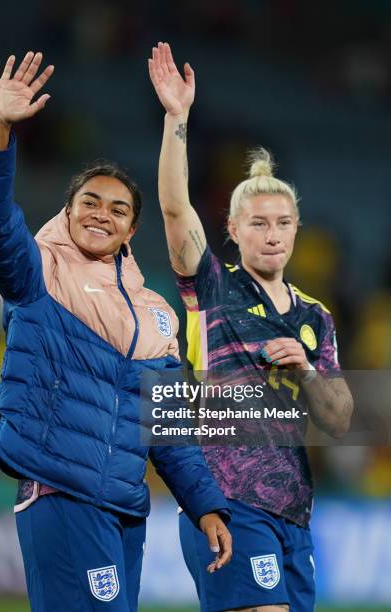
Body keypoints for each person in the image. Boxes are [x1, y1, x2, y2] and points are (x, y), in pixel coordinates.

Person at [0, 50, 232, 612]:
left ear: (132, 227)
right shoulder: (39, 272)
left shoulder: (157, 312)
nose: (100, 214)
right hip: (61, 493)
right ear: (68, 209)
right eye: (89, 201)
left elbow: (168, 427)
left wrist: (206, 505)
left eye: (116, 208)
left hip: (125, 507)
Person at [148, 42, 353, 612]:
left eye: (283, 223)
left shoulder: (316, 316)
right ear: (233, 230)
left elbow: (338, 420)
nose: (272, 233)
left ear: (296, 231)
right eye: (258, 222)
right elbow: (172, 207)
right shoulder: (212, 287)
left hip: (295, 512)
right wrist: (177, 120)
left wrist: (307, 370)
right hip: (227, 499)